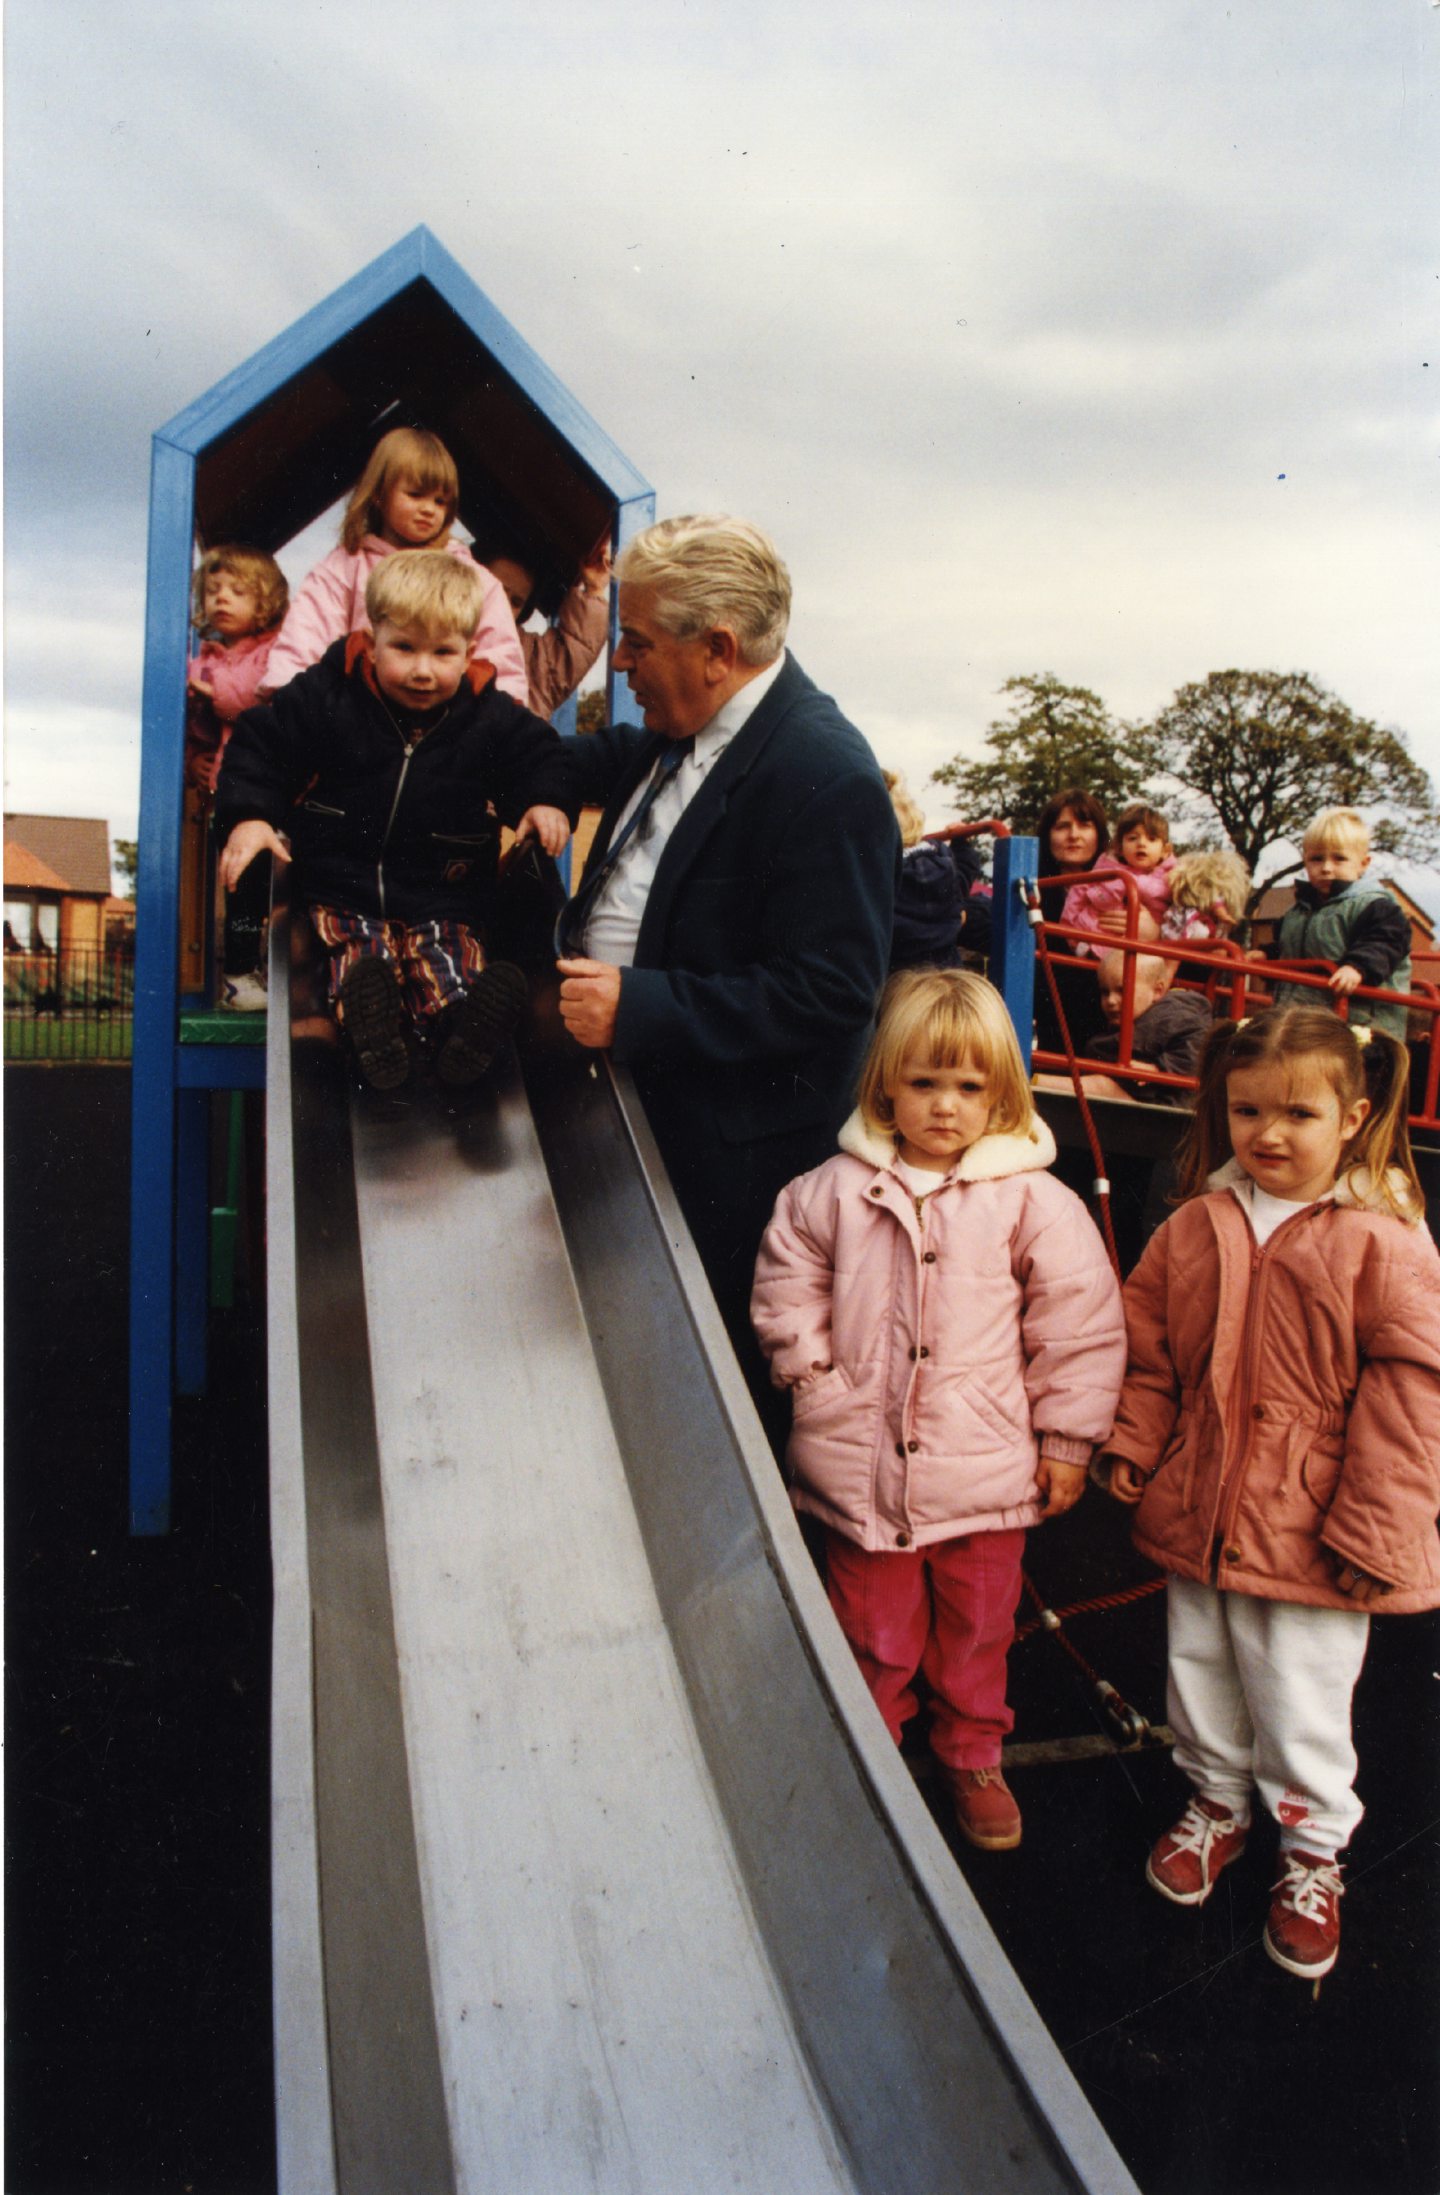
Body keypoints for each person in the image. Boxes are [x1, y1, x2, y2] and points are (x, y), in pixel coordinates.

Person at [1096, 1008, 1440, 1981]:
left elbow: (1414, 1393)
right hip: (1203, 1501)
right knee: (1199, 1662)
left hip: (1321, 1525)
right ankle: (1215, 1800)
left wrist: (1377, 1524)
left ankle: (1311, 1848)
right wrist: (1135, 1438)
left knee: (1300, 1691)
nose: (1270, 1133)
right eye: (1248, 1109)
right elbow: (1152, 1349)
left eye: (1299, 1111)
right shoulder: (1197, 1222)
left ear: (1354, 1113)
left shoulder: (1385, 1237)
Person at [751, 969, 1126, 1850]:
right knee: (872, 1623)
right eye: (926, 1083)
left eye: (970, 1087)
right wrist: (813, 1377)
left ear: (1001, 1092)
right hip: (863, 1460)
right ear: (886, 1083)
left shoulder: (1033, 1198)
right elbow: (786, 1278)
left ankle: (972, 1748)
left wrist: (1067, 1437)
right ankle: (869, 1741)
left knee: (977, 1625)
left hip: (985, 1467)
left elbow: (1078, 1320)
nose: (947, 1107)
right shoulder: (833, 1188)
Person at [554, 514, 899, 1367]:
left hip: (722, 1183)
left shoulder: (826, 773)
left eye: (634, 642)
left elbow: (834, 988)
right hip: (633, 1124)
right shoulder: (683, 728)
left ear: (717, 647)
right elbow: (574, 758)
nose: (621, 662)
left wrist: (641, 1005)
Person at [216, 551, 573, 1095]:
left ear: (469, 651)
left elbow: (540, 756)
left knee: (453, 962)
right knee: (359, 965)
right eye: (404, 648)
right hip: (342, 892)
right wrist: (251, 816)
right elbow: (261, 745)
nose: (423, 670)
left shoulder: (487, 715)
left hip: (445, 898)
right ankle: (371, 1036)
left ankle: (466, 1034)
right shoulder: (328, 697)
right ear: (372, 636)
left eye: (443, 652)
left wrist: (543, 800)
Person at [260, 426, 529, 704]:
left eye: (440, 501)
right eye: (415, 494)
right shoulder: (346, 566)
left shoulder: (473, 578)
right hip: (358, 716)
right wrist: (288, 694)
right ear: (378, 494)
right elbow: (306, 637)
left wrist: (506, 711)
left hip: (443, 722)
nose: (429, 509)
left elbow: (499, 658)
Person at [185, 547, 290, 1011]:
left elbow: (259, 693)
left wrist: (216, 692)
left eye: (237, 591)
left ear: (265, 601)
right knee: (239, 885)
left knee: (280, 882)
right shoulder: (204, 660)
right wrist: (195, 763)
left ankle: (283, 968)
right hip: (230, 794)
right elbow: (195, 729)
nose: (221, 598)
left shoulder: (278, 648)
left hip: (276, 788)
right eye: (212, 591)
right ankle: (239, 975)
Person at [1262, 808, 1412, 1039]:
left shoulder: (1375, 907)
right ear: (1305, 861)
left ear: (1363, 863)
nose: (1326, 867)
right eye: (1316, 858)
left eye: (1339, 858)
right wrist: (1266, 956)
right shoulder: (1299, 911)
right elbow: (1294, 950)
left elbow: (1385, 942)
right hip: (1304, 1018)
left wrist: (1357, 967)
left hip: (1361, 1024)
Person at [478, 535, 611, 722]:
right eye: (495, 590)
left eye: (516, 602)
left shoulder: (531, 657)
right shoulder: (436, 628)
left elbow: (577, 644)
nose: (503, 605)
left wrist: (594, 588)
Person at [1032, 787, 1110, 1061]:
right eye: (1062, 826)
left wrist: (1148, 928)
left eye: (1084, 825)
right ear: (1047, 837)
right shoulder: (1033, 889)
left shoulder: (1122, 889)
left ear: (1099, 835)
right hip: (1054, 1018)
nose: (1074, 835)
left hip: (1108, 1016)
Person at [1077, 950, 1213, 1103]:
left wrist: (1159, 1069)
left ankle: (1043, 1082)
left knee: (1101, 1087)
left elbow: (1199, 1048)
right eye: (1105, 992)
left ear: (1158, 991)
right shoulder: (1125, 1026)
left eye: (1122, 991)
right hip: (1140, 1101)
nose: (1111, 1001)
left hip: (1168, 1108)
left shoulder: (1175, 1015)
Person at [1060, 801, 1174, 958]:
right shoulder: (1107, 868)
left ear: (1165, 851)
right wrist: (1069, 928)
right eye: (1132, 838)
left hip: (1147, 946)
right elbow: (1078, 892)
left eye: (1152, 839)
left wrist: (1157, 932)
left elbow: (1161, 896)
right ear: (1120, 847)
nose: (1141, 843)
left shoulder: (1171, 877)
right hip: (1101, 932)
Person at [884, 771, 965, 971]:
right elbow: (965, 876)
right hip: (948, 971)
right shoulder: (942, 859)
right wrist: (963, 844)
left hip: (899, 979)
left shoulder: (883, 875)